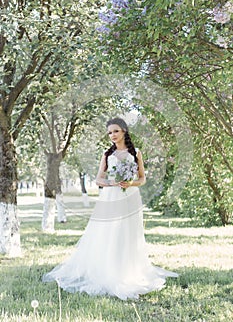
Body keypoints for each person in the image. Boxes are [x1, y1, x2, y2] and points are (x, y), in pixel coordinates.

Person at [42, 117, 178, 300]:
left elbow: (142, 178)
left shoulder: (136, 152)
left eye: (115, 131)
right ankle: (108, 271)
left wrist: (130, 182)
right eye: (109, 133)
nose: (112, 135)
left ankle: (128, 270)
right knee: (110, 232)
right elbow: (99, 179)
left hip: (130, 197)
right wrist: (111, 182)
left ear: (124, 131)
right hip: (110, 197)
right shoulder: (107, 155)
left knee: (128, 233)